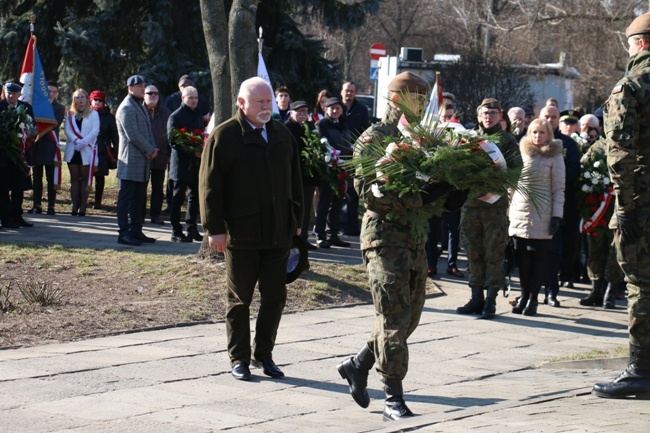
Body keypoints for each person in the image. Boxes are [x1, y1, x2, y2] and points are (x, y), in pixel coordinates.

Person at [338, 71, 438, 421]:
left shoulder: (425, 139)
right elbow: (367, 192)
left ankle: (358, 364)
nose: (422, 105)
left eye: (425, 99)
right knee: (393, 318)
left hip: (414, 238)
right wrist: (416, 197)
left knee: (408, 317)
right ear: (396, 99)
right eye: (417, 98)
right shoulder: (375, 138)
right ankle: (392, 398)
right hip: (383, 238)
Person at [199, 76, 303, 381]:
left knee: (275, 297)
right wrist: (214, 229)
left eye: (268, 101)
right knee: (240, 299)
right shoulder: (225, 135)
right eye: (259, 102)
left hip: (277, 233)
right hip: (241, 234)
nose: (265, 107)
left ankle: (264, 355)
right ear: (241, 103)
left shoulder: (282, 135)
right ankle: (239, 358)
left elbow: (296, 181)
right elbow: (210, 186)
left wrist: (297, 222)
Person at [592, 13, 650, 399]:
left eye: (630, 42)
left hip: (642, 201)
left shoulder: (631, 85)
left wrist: (626, 205)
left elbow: (620, 151)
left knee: (641, 283)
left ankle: (640, 369)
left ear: (642, 43)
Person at [457, 98, 520, 320]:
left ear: (500, 116)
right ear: (478, 115)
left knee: (493, 253)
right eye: (485, 112)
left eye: (493, 112)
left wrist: (495, 187)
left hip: (494, 205)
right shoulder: (468, 138)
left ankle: (491, 301)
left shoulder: (507, 140)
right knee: (473, 252)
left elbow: (515, 171)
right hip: (471, 205)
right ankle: (476, 298)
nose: (489, 116)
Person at [509, 119, 565, 316]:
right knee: (522, 257)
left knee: (538, 257)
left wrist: (557, 216)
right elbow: (512, 183)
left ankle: (533, 299)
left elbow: (558, 189)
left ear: (548, 134)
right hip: (519, 210)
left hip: (542, 212)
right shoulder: (522, 152)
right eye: (534, 132)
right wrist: (508, 209)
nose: (537, 136)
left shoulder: (555, 156)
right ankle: (524, 296)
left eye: (541, 133)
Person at [539, 105, 581, 305]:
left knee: (555, 249)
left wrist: (551, 179)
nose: (550, 119)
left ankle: (551, 290)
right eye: (546, 116)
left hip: (560, 203)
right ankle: (530, 290)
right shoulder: (529, 143)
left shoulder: (567, 144)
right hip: (534, 205)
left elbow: (573, 171)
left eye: (553, 117)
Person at [115, 75, 158, 246]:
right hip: (130, 160)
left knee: (139, 198)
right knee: (126, 198)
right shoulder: (126, 107)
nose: (143, 88)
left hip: (142, 159)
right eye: (139, 86)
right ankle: (123, 233)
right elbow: (133, 134)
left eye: (144, 85)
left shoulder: (139, 105)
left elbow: (148, 131)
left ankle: (136, 230)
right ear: (130, 88)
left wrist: (153, 148)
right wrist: (150, 149)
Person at [314, 97, 352, 248]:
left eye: (338, 108)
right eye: (332, 108)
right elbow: (322, 145)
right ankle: (320, 235)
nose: (335, 111)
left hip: (342, 169)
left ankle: (333, 235)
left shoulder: (343, 124)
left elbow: (347, 144)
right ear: (326, 109)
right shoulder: (321, 124)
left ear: (342, 110)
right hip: (328, 170)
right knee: (324, 203)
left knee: (337, 203)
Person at [168, 86, 204, 242]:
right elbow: (173, 140)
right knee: (177, 198)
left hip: (196, 164)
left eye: (196, 98)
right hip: (180, 164)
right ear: (183, 98)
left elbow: (202, 135)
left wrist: (201, 148)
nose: (194, 100)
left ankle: (191, 228)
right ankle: (175, 231)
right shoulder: (175, 116)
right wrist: (192, 150)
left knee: (195, 197)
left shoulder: (198, 115)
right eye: (191, 98)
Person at [284, 100, 319, 249]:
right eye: (299, 112)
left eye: (305, 111)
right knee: (293, 207)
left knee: (305, 207)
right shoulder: (286, 128)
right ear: (291, 113)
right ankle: (291, 238)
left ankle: (303, 238)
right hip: (292, 175)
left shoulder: (310, 127)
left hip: (308, 175)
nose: (302, 114)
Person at [0, 82, 35, 228]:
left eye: (14, 93)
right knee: (3, 186)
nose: (11, 95)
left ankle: (17, 215)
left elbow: (32, 127)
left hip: (20, 153)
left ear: (19, 94)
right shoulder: (1, 106)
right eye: (8, 92)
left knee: (18, 186)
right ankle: (6, 217)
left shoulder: (26, 108)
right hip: (3, 154)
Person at [30, 80, 65, 215]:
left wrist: (42, 121)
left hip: (50, 146)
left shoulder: (60, 108)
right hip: (37, 145)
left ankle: (51, 206)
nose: (52, 94)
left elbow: (55, 123)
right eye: (49, 91)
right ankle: (36, 205)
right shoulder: (36, 106)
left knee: (51, 178)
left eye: (54, 91)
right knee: (37, 177)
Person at [63, 88, 100, 217]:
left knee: (84, 178)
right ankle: (74, 205)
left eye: (82, 97)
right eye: (77, 97)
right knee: (74, 178)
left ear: (87, 99)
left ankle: (83, 206)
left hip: (86, 149)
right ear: (74, 99)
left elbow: (95, 130)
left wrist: (83, 142)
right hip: (73, 149)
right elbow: (67, 130)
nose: (80, 100)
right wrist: (75, 141)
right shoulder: (69, 114)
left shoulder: (93, 114)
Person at [143, 85, 171, 225]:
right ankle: (140, 215)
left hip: (160, 156)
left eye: (156, 93)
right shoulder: (140, 110)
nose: (153, 96)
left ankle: (156, 215)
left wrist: (169, 153)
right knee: (141, 187)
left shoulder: (165, 112)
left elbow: (170, 135)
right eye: (149, 93)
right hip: (143, 156)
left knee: (158, 189)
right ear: (144, 95)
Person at [89, 90, 118, 210]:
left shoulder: (109, 117)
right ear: (91, 100)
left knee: (99, 177)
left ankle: (97, 201)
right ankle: (79, 199)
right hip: (86, 149)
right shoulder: (85, 113)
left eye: (100, 100)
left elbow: (114, 135)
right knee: (83, 176)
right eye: (95, 100)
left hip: (102, 151)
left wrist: (116, 150)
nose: (98, 102)